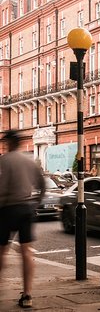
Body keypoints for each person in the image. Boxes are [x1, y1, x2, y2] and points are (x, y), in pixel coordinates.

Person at [0, 130, 46, 309]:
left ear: (10, 143)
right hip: (26, 209)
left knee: (2, 251)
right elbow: (41, 185)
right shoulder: (29, 161)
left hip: (6, 209)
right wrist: (35, 204)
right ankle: (27, 294)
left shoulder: (4, 160)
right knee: (26, 252)